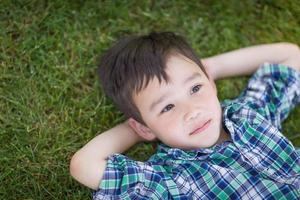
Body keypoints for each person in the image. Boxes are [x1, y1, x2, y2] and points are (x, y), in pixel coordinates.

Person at [70, 32, 300, 199]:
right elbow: (84, 165)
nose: (192, 111)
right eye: (167, 107)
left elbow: (290, 56)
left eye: (195, 88)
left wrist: (212, 67)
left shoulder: (247, 114)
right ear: (145, 127)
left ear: (210, 83)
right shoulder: (170, 177)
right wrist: (137, 129)